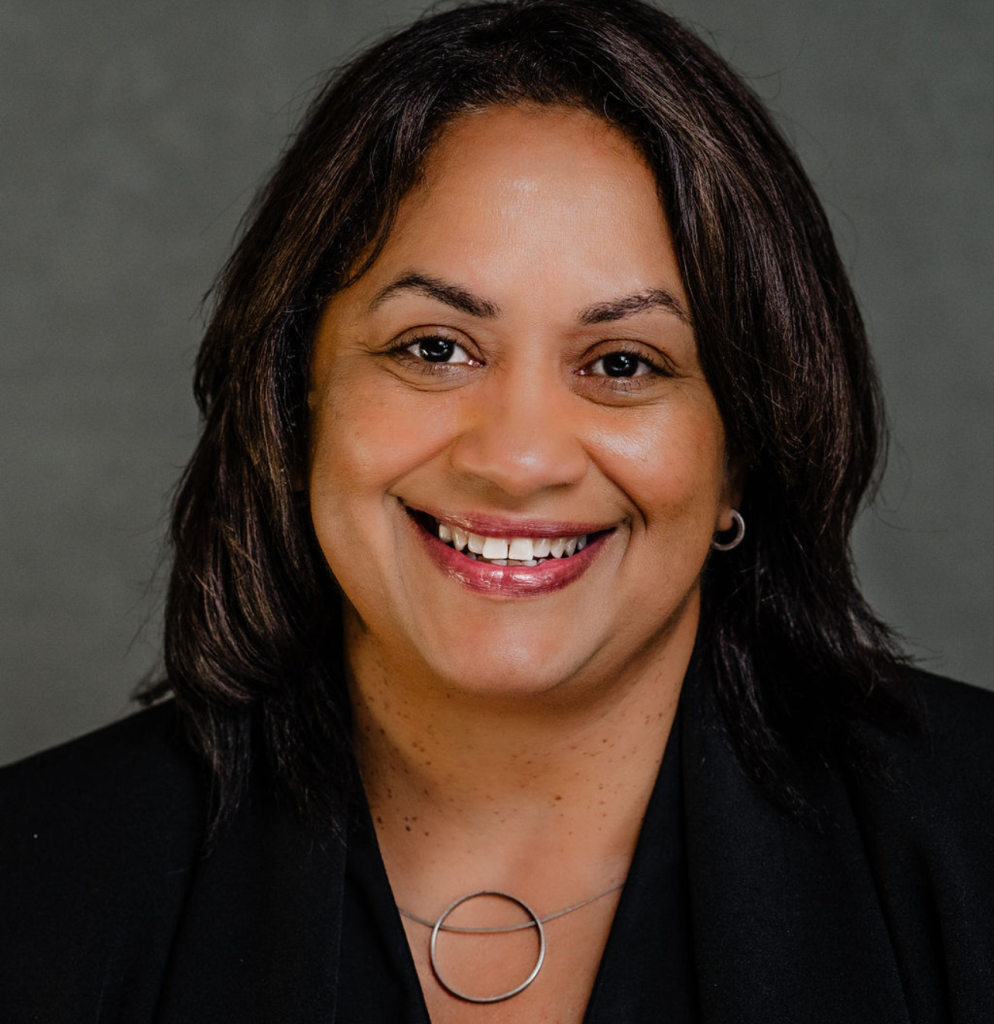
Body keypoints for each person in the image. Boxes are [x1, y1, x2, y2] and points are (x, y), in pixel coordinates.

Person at [2, 0, 992, 1021]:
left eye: (622, 363)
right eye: (434, 348)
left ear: (741, 453)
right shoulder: (32, 888)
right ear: (295, 403)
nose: (517, 461)